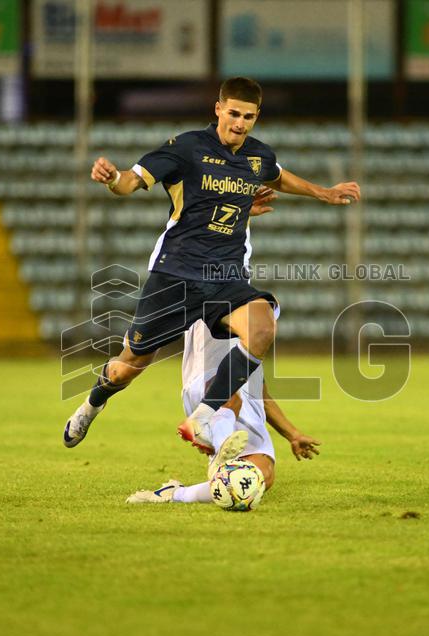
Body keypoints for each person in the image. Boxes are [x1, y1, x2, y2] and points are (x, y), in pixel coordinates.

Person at [63, 76, 360, 462]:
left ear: (257, 117)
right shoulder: (187, 147)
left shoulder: (258, 155)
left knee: (262, 325)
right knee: (127, 368)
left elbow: (276, 175)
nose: (239, 123)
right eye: (233, 113)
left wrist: (324, 192)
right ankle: (91, 405)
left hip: (226, 277)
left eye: (248, 117)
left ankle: (204, 417)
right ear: (218, 109)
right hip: (177, 274)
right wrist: (114, 178)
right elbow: (132, 181)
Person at [125, 318, 321, 504]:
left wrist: (293, 434)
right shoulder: (216, 297)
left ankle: (178, 493)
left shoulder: (254, 332)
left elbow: (261, 394)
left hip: (246, 414)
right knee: (229, 395)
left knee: (261, 479)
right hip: (209, 386)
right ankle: (216, 444)